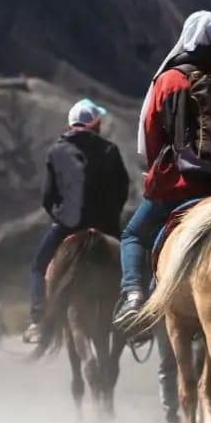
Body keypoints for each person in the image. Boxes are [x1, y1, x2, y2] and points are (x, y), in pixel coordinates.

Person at [114, 11, 211, 331]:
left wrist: (157, 172)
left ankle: (134, 297)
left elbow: (153, 133)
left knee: (132, 234)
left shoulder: (169, 79)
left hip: (180, 185)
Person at [26, 98, 130, 343]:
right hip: (106, 224)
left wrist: (61, 217)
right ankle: (134, 314)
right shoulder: (110, 149)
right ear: (95, 123)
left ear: (71, 124)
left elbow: (47, 196)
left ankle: (38, 320)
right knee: (134, 262)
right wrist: (111, 216)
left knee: (38, 267)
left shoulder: (55, 151)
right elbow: (122, 190)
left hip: (68, 224)